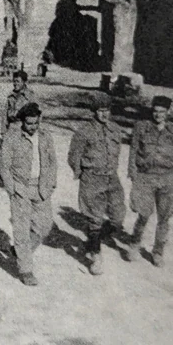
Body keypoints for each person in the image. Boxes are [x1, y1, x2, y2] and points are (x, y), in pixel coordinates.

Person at [0, 103, 57, 286]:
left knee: (45, 226)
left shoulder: (46, 137)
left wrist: (50, 184)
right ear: (23, 121)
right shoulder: (12, 137)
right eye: (29, 123)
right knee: (22, 229)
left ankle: (20, 250)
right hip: (21, 188)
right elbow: (4, 167)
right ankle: (26, 269)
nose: (33, 127)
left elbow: (52, 162)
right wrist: (12, 188)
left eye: (36, 123)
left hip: (40, 188)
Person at [67, 94, 125, 275]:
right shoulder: (84, 131)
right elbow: (73, 155)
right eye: (100, 111)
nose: (104, 114)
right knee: (95, 219)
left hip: (111, 178)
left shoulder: (115, 129)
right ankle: (95, 253)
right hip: (92, 178)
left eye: (107, 110)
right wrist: (80, 173)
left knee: (118, 218)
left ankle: (94, 240)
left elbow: (116, 153)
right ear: (94, 112)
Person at [126, 95, 173, 267]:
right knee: (143, 213)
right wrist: (133, 174)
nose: (158, 115)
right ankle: (135, 244)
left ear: (168, 112)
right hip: (146, 176)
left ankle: (158, 252)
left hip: (168, 177)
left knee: (164, 218)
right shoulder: (141, 127)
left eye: (162, 112)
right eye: (155, 111)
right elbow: (133, 151)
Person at [0, 70, 35, 138]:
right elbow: (4, 116)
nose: (15, 83)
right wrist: (3, 133)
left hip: (24, 131)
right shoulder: (11, 96)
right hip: (11, 129)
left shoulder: (30, 96)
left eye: (18, 81)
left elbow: (37, 116)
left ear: (24, 82)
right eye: (14, 81)